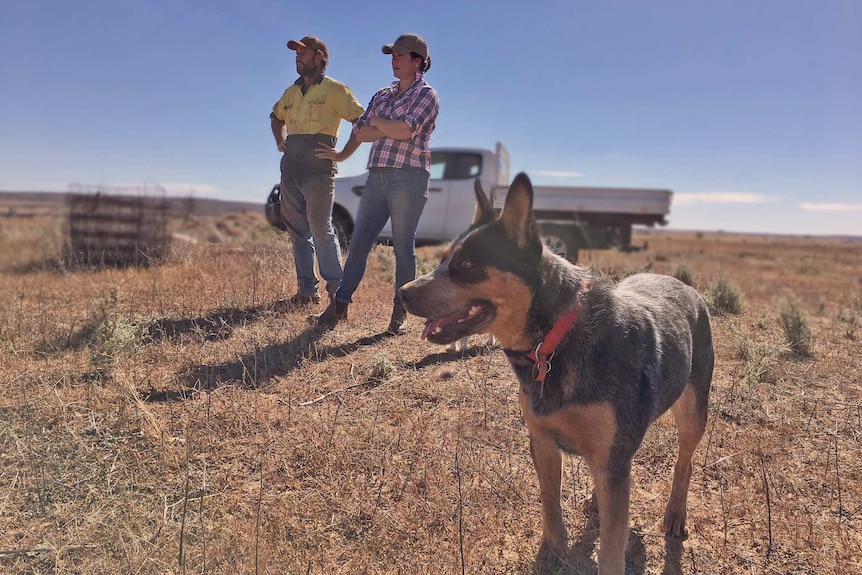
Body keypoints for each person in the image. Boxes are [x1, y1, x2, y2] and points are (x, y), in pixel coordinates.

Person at [315, 33, 439, 335]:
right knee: (359, 243)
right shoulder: (382, 94)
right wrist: (377, 132)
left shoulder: (427, 95)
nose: (394, 60)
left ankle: (400, 313)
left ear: (417, 60)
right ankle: (339, 306)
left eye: (399, 55)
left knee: (403, 248)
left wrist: (380, 125)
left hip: (409, 176)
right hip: (378, 175)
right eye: (392, 55)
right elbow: (361, 132)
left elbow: (404, 130)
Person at [270, 36, 365, 307]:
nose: (297, 57)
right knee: (297, 232)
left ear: (320, 57)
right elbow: (275, 117)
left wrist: (343, 154)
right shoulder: (290, 92)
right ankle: (306, 292)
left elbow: (361, 122)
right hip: (291, 173)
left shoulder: (336, 90)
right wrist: (280, 140)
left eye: (304, 52)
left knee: (321, 230)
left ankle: (337, 293)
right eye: (295, 53)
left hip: (319, 174)